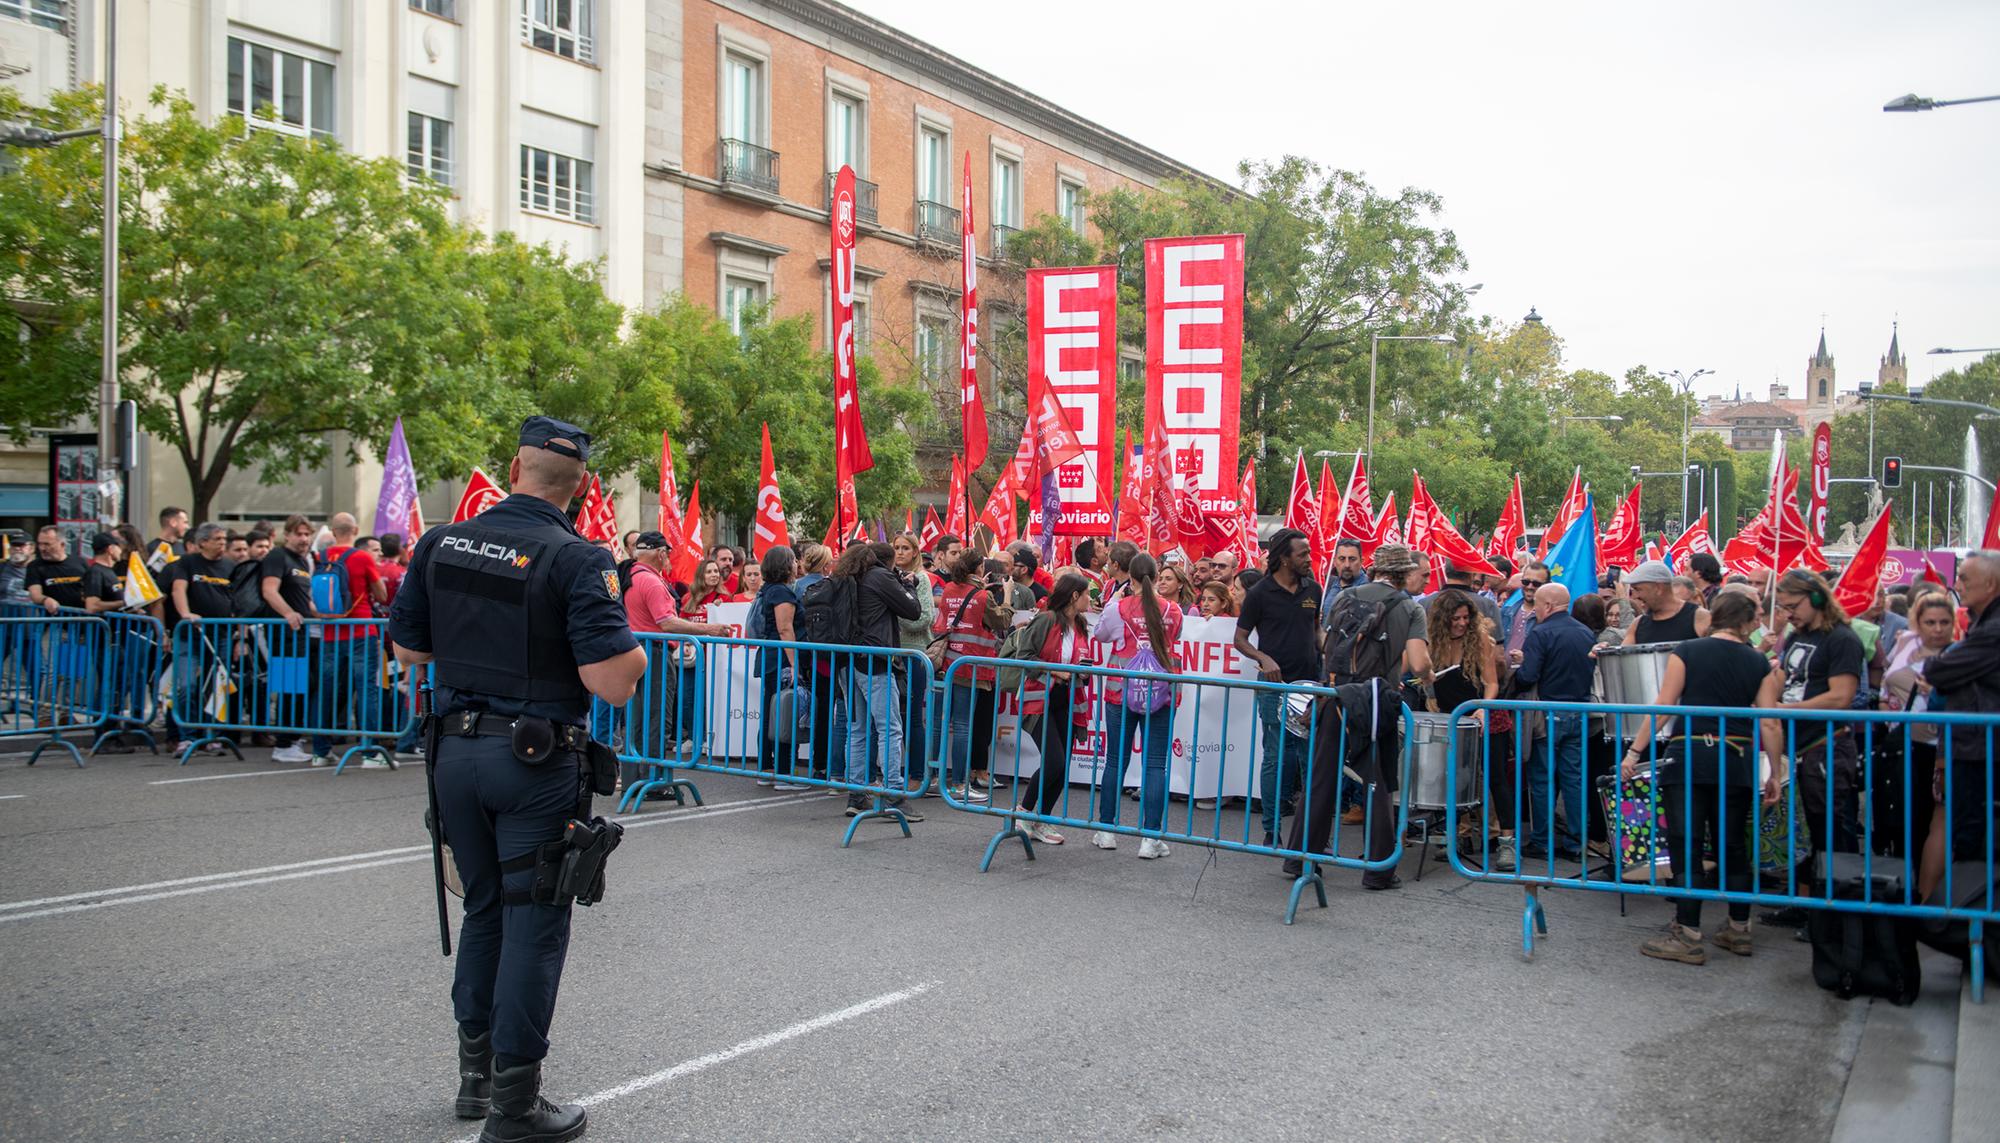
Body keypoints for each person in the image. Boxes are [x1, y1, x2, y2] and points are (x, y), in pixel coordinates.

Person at [389, 416, 644, 1143]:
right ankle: (515, 1107)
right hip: (532, 762)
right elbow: (613, 682)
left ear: (513, 466)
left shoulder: (441, 541)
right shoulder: (575, 556)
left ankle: (475, 1079)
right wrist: (639, 658)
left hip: (454, 757)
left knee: (485, 911)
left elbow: (408, 646)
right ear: (582, 484)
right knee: (535, 924)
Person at [1619, 591, 1788, 965]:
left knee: (1686, 843)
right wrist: (1775, 772)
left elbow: (1664, 705)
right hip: (1737, 756)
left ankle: (1688, 932)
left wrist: (1635, 752)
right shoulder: (1758, 660)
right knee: (1733, 846)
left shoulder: (1688, 651)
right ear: (1745, 622)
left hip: (1690, 753)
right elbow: (1771, 721)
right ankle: (1739, 928)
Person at [1287, 543, 1431, 888]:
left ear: (1375, 567)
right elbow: (1419, 661)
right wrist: (1424, 674)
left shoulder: (1343, 597)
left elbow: (1325, 645)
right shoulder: (1410, 608)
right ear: (1404, 573)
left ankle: (1300, 859)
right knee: (1376, 781)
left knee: (1322, 776)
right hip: (1376, 698)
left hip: (1335, 694)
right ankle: (1379, 870)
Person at [1917, 551, 2000, 898]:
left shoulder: (1993, 627)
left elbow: (1938, 671)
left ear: (1991, 583)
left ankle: (1978, 927)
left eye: (1964, 577)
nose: (1957, 584)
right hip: (1973, 745)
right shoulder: (1985, 621)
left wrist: (1946, 671)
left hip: (1983, 750)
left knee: (1976, 839)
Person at [1090, 553, 1182, 859]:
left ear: (1130, 578)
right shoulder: (1173, 609)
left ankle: (1106, 830)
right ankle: (1150, 837)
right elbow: (1175, 635)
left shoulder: (1119, 608)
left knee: (1115, 760)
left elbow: (1101, 635)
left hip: (1121, 691)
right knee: (1155, 764)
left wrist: (1115, 601)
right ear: (1157, 577)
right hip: (1160, 693)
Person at [1235, 529, 1323, 847]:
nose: (1309, 559)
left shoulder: (1314, 588)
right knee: (1274, 755)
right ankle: (1272, 830)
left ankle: (1312, 833)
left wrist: (1331, 649)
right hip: (1275, 686)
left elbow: (1316, 631)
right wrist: (1263, 658)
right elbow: (1240, 638)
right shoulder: (1259, 593)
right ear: (1285, 558)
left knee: (1309, 758)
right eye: (1303, 554)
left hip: (1311, 687)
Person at [1772, 568, 1866, 859]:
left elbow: (1841, 696)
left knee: (1829, 826)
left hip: (1825, 746)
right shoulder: (1796, 636)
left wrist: (1786, 709)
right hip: (1795, 744)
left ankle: (1837, 899)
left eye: (1792, 606)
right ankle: (1804, 899)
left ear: (1815, 597)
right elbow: (1784, 678)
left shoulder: (1841, 639)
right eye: (1783, 607)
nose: (1788, 614)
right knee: (1801, 828)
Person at [831, 543, 923, 820]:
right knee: (890, 729)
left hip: (847, 661)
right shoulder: (878, 576)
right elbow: (913, 610)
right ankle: (894, 795)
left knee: (857, 730)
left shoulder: (844, 577)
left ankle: (857, 796)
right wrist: (910, 586)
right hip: (875, 661)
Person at [624, 532, 728, 772]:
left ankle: (636, 774)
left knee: (639, 716)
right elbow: (667, 622)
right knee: (657, 716)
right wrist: (709, 629)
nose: (669, 558)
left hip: (635, 650)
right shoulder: (650, 581)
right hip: (655, 653)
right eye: (668, 553)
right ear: (661, 553)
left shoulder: (630, 575)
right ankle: (654, 778)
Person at [1513, 582, 1598, 863]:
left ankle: (1541, 840)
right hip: (1579, 711)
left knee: (1542, 779)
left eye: (1537, 604)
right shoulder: (1586, 632)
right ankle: (1575, 843)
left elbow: (1527, 676)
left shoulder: (1541, 632)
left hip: (1548, 713)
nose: (1534, 609)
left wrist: (1522, 666)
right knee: (1573, 779)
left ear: (1548, 606)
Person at [1008, 572, 1096, 843]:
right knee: (1054, 761)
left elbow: (1082, 663)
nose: (1089, 599)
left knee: (1062, 766)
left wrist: (1083, 673)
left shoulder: (1081, 625)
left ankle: (1042, 820)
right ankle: (1024, 813)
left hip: (1069, 701)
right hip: (1039, 700)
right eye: (1086, 594)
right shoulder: (1045, 620)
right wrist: (1058, 673)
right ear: (1074, 596)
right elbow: (1025, 658)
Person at [1427, 587, 1507, 865]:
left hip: (1483, 716)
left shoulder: (1480, 640)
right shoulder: (1434, 640)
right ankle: (1459, 834)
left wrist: (1484, 708)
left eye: (1465, 618)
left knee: (1493, 777)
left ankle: (1500, 837)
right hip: (1453, 718)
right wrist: (1429, 697)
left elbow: (1492, 682)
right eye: (1455, 618)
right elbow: (1421, 672)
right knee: (1456, 776)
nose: (1461, 623)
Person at [1877, 593, 1955, 860]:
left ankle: (1924, 888)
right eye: (1930, 622)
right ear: (1917, 622)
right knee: (1899, 813)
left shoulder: (1958, 653)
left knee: (1928, 818)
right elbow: (1886, 685)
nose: (1937, 628)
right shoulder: (1905, 643)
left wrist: (1937, 692)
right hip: (1901, 743)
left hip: (1938, 748)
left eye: (1944, 622)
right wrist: (1886, 714)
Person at [309, 513, 390, 768]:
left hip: (331, 632)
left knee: (326, 691)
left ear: (333, 532)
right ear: (355, 530)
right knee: (367, 690)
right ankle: (369, 752)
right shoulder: (362, 557)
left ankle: (320, 752)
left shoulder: (320, 557)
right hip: (362, 631)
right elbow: (382, 594)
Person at [936, 550, 1004, 804]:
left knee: (939, 724)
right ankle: (959, 784)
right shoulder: (983, 595)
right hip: (970, 666)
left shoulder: (949, 589)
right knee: (963, 726)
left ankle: (934, 778)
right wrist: (1005, 596)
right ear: (977, 570)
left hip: (948, 662)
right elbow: (1001, 620)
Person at [260, 516, 321, 764]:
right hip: (284, 634)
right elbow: (269, 590)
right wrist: (287, 613)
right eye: (299, 534)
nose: (304, 539)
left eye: (307, 534)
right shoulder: (277, 556)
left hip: (301, 633)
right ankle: (284, 744)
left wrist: (323, 613)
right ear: (287, 535)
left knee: (304, 685)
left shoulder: (302, 561)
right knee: (290, 687)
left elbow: (305, 598)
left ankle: (293, 739)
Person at [1623, 560, 1710, 645]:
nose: (1635, 596)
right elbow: (1623, 657)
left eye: (1638, 589)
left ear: (1658, 588)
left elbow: (1718, 653)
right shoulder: (1637, 625)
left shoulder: (1699, 617)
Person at [25, 526, 88, 613]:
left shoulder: (80, 562)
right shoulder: (35, 566)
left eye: (47, 544)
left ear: (62, 544)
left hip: (83, 620)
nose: (42, 548)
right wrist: (46, 600)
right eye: (40, 544)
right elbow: (35, 594)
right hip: (55, 622)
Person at [80, 532, 127, 613]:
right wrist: (123, 603)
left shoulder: (109, 571)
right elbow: (92, 606)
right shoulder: (95, 572)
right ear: (110, 549)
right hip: (106, 624)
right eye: (118, 547)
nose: (120, 551)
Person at [1320, 538, 1365, 611]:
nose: (1347, 565)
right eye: (1342, 559)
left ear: (1361, 561)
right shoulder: (1327, 585)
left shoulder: (1368, 589)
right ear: (1334, 561)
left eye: (1352, 559)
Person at [147, 506, 189, 572]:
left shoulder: (185, 548)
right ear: (173, 522)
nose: (187, 527)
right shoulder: (150, 549)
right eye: (185, 522)